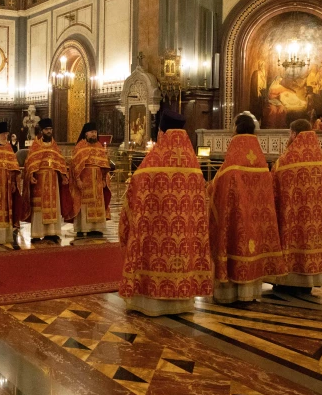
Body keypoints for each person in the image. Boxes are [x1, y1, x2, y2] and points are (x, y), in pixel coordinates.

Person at [119, 110, 214, 315]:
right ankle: (182, 299)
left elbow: (134, 189)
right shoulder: (193, 164)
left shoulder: (153, 161)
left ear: (161, 131)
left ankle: (153, 303)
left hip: (155, 232)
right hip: (183, 234)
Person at [207, 114, 286, 303]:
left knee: (236, 243)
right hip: (256, 220)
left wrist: (208, 189)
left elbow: (219, 186)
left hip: (236, 218)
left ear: (236, 128)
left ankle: (229, 294)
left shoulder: (234, 159)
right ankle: (249, 292)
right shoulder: (260, 161)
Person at [268, 119, 322, 291]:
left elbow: (273, 188)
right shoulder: (321, 160)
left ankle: (288, 280)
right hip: (314, 217)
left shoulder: (285, 161)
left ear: (293, 134)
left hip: (291, 217)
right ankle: (311, 278)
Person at [21, 118, 70, 244]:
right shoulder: (36, 146)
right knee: (39, 208)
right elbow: (30, 162)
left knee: (53, 207)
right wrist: (31, 175)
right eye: (47, 129)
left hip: (53, 179)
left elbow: (60, 162)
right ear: (42, 131)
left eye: (51, 129)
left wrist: (63, 175)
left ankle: (52, 233)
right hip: (40, 181)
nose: (49, 132)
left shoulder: (54, 146)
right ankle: (37, 233)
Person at [70, 122, 111, 238]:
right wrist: (77, 180)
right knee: (84, 204)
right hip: (84, 181)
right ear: (86, 133)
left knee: (97, 204)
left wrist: (104, 179)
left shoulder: (99, 146)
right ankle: (83, 227)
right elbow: (75, 165)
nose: (94, 134)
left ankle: (97, 228)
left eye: (95, 132)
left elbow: (104, 165)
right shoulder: (80, 146)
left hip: (97, 181)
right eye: (91, 132)